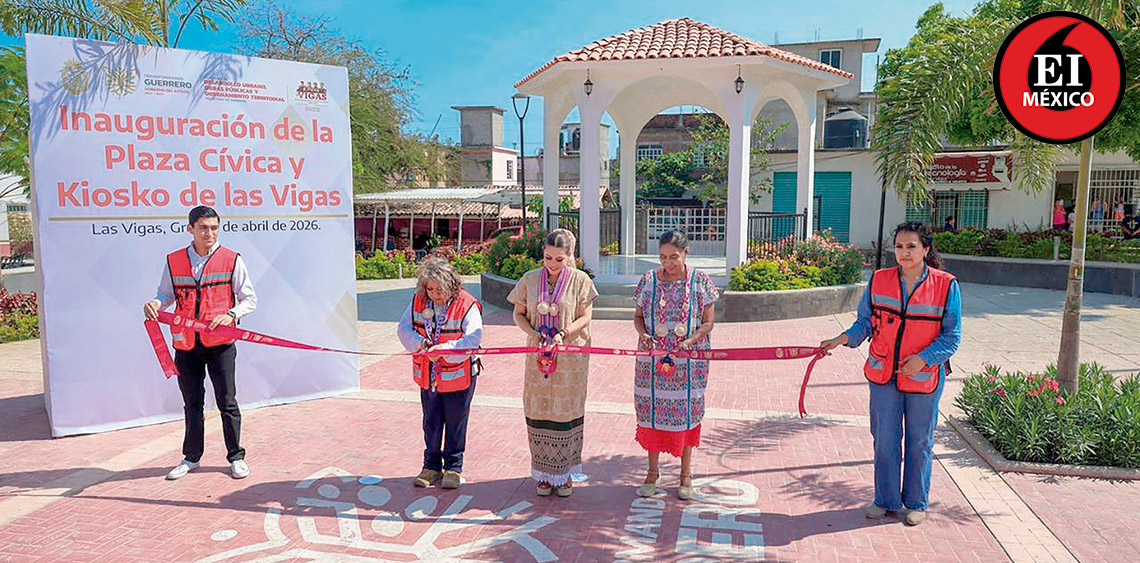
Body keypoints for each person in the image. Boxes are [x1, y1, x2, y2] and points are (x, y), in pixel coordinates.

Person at [819, 222, 962, 526]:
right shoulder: (879, 279)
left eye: (911, 246)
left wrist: (923, 359)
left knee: (919, 441)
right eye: (899, 247)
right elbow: (864, 322)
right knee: (884, 438)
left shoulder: (946, 285)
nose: (904, 252)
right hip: (884, 375)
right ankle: (885, 500)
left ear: (926, 249)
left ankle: (916, 502)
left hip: (923, 378)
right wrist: (841, 338)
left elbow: (952, 337)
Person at [143, 206, 257, 480]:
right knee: (192, 403)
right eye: (203, 228)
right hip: (186, 345)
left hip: (220, 344)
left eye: (214, 228)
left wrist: (231, 315)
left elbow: (249, 299)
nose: (210, 233)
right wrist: (156, 304)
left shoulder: (232, 259)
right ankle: (191, 457)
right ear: (190, 229)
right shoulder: (174, 261)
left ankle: (236, 456)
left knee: (227, 402)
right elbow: (166, 294)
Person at [507, 229, 597, 497]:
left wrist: (564, 333)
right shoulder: (530, 279)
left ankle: (565, 473)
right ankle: (543, 474)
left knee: (566, 411)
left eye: (559, 259)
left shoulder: (580, 281)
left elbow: (586, 316)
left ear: (570, 256)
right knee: (538, 409)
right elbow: (518, 313)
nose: (553, 264)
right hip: (538, 358)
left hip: (570, 359)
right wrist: (532, 333)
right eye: (548, 258)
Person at [632, 230, 719, 500]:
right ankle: (652, 473)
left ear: (685, 254)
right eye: (662, 257)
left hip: (688, 363)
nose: (667, 263)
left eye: (673, 257)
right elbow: (638, 317)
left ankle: (685, 474)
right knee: (652, 414)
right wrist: (644, 335)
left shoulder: (701, 281)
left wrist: (690, 341)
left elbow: (708, 322)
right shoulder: (648, 280)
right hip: (652, 362)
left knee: (686, 415)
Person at [397, 258, 483, 489]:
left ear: (452, 285)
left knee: (456, 421)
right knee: (431, 421)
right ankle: (431, 467)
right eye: (430, 289)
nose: (434, 294)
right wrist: (421, 344)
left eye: (439, 290)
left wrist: (443, 350)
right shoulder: (418, 300)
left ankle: (454, 468)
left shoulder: (467, 304)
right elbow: (403, 329)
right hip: (429, 374)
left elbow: (473, 338)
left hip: (459, 375)